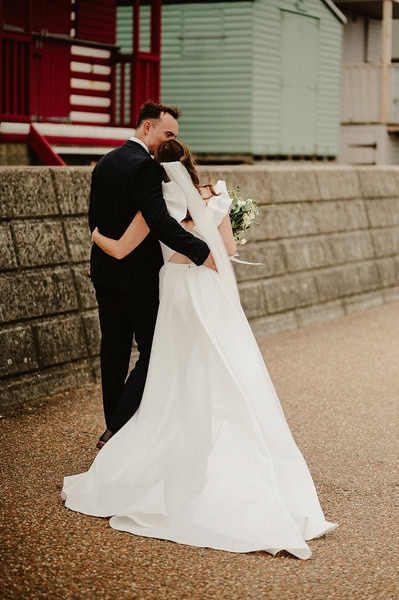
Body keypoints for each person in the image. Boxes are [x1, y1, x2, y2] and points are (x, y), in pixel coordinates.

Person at [62, 140, 337, 559]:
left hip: (175, 292)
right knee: (222, 361)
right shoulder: (217, 196)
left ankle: (150, 435)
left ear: (157, 168)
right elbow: (227, 250)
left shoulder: (157, 204)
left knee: (173, 368)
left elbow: (123, 247)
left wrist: (96, 233)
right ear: (192, 164)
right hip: (209, 289)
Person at [88, 102, 215, 449]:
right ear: (147, 127)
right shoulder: (145, 167)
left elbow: (94, 220)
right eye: (167, 133)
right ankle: (116, 428)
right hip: (137, 280)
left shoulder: (106, 161)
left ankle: (113, 429)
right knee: (153, 349)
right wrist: (203, 252)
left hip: (104, 272)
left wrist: (98, 251)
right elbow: (158, 221)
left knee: (112, 350)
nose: (170, 141)